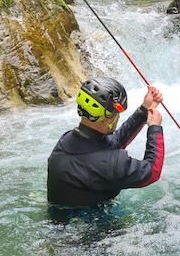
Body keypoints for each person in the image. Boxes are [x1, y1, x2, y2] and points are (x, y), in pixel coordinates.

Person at [47, 76, 166, 213]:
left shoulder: (65, 141)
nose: (118, 117)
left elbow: (112, 145)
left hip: (66, 222)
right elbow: (152, 171)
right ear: (106, 119)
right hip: (98, 228)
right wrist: (154, 128)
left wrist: (144, 110)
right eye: (116, 113)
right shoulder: (108, 163)